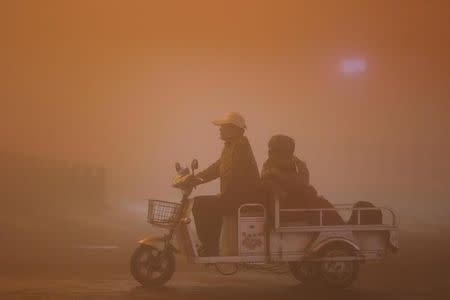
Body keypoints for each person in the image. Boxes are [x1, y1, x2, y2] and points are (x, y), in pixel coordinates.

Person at [189, 112, 260, 256]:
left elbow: (237, 175)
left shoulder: (241, 147)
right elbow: (216, 168)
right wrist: (195, 179)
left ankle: (210, 249)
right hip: (234, 196)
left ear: (234, 129)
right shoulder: (230, 147)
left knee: (200, 204)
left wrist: (224, 194)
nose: (220, 129)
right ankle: (210, 247)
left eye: (223, 126)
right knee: (204, 204)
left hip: (242, 198)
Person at [261, 135, 344, 226]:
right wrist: (300, 164)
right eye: (289, 151)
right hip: (284, 211)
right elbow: (302, 183)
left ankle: (342, 228)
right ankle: (344, 229)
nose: (292, 154)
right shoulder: (271, 169)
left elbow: (298, 183)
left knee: (320, 202)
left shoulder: (275, 167)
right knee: (321, 203)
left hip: (288, 207)